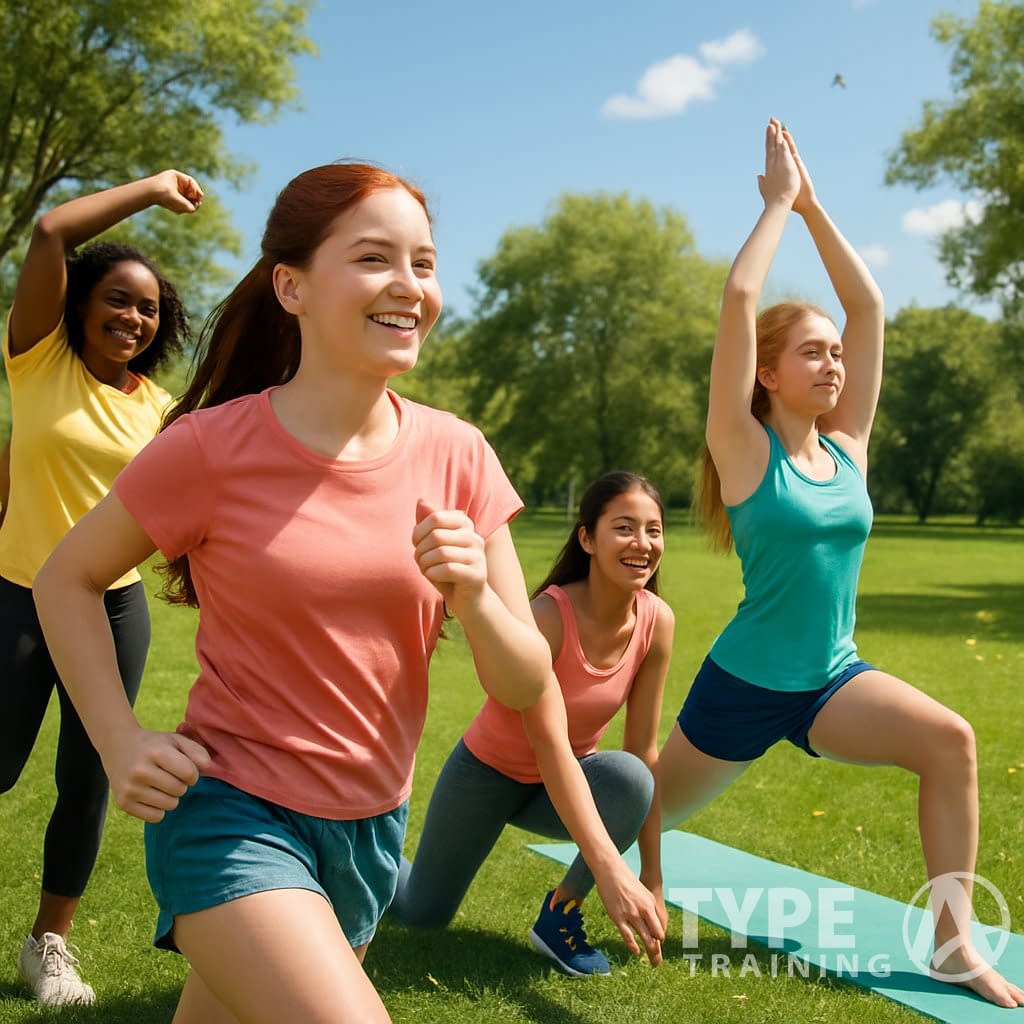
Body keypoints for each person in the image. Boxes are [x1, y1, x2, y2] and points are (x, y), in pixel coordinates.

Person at [33, 163, 660, 1023]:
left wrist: (473, 593)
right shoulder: (213, 448)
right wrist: (117, 738)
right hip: (231, 816)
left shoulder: (459, 455)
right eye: (374, 259)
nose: (409, 287)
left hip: (369, 833)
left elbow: (524, 683)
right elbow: (64, 578)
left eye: (426, 264)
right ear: (291, 285)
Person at [658, 118, 1024, 1010]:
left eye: (835, 354)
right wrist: (776, 207)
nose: (835, 361)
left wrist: (815, 206)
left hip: (830, 680)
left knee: (950, 742)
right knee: (640, 815)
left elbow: (870, 310)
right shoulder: (743, 450)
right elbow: (739, 304)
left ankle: (952, 946)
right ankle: (565, 893)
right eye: (813, 353)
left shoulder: (847, 447)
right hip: (743, 684)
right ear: (770, 376)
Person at [0, 171, 200, 1006]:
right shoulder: (38, 359)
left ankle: (50, 945)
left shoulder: (160, 409)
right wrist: (151, 190)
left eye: (149, 308)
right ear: (82, 304)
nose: (133, 317)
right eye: (118, 299)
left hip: (113, 606)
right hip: (16, 594)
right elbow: (48, 232)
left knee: (89, 779)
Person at [393, 470, 674, 977]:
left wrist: (652, 876)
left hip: (562, 784)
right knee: (422, 915)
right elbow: (548, 743)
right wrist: (612, 871)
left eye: (654, 530)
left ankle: (560, 916)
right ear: (587, 538)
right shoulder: (547, 617)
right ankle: (359, 855)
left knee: (634, 778)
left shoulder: (657, 621)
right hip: (487, 775)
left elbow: (644, 751)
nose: (643, 543)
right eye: (625, 527)